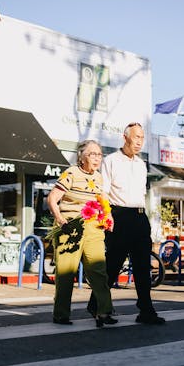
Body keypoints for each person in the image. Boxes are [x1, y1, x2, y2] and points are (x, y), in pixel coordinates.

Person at [88, 122, 165, 325]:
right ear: (125, 137)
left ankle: (146, 310)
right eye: (136, 137)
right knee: (113, 264)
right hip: (118, 217)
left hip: (139, 217)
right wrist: (107, 215)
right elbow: (102, 191)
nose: (139, 142)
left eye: (142, 138)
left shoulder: (141, 164)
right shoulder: (111, 161)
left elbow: (141, 193)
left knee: (142, 267)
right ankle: (97, 304)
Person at [46, 140, 118, 328]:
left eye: (99, 154)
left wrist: (108, 217)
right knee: (65, 273)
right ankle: (61, 314)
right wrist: (61, 220)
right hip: (71, 228)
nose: (97, 158)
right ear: (81, 156)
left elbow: (102, 200)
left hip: (94, 229)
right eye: (92, 154)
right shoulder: (71, 173)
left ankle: (104, 312)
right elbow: (52, 198)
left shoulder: (99, 177)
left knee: (99, 272)